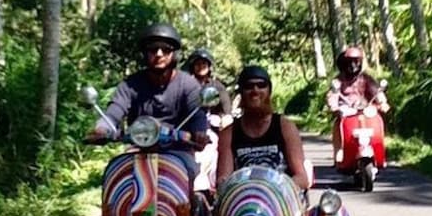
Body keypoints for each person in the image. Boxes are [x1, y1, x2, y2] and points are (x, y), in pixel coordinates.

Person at [87, 22, 209, 152]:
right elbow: (115, 110)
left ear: (174, 54)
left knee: (188, 165)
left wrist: (199, 132)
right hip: (138, 149)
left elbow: (197, 114)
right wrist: (102, 128)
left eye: (166, 49)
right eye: (153, 49)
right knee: (115, 165)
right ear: (144, 53)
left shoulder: (188, 85)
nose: (159, 54)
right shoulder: (130, 85)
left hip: (178, 150)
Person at [216, 65, 310, 192]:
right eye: (249, 86)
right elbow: (224, 178)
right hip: (244, 198)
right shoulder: (229, 133)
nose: (255, 90)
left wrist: (276, 190)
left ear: (269, 91)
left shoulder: (285, 127)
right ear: (241, 93)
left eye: (261, 85)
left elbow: (301, 177)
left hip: (280, 198)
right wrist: (223, 184)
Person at [327, 45, 388, 164]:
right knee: (338, 124)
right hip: (346, 111)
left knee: (376, 124)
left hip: (366, 110)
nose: (353, 65)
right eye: (349, 62)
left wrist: (383, 102)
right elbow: (333, 95)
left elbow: (376, 91)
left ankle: (379, 150)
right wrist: (334, 107)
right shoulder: (338, 80)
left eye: (356, 61)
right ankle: (339, 152)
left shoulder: (366, 79)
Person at [185, 47, 232, 119]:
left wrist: (224, 118)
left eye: (204, 63)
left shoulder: (217, 86)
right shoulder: (186, 85)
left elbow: (227, 109)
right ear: (193, 67)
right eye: (198, 64)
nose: (201, 66)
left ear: (209, 66)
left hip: (212, 123)